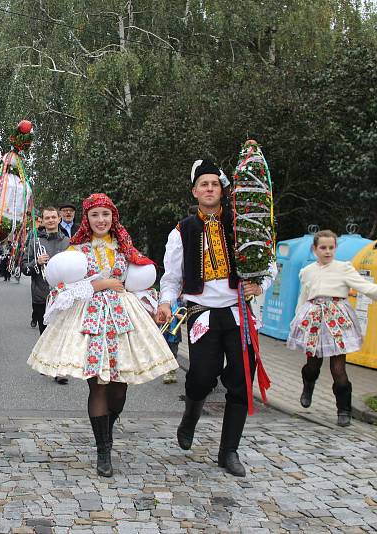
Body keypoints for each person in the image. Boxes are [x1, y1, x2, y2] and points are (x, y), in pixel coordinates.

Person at [28, 194, 179, 477]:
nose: (101, 220)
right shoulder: (77, 250)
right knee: (97, 384)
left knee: (119, 389)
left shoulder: (125, 247)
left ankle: (106, 430)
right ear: (87, 218)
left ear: (113, 218)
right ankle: (103, 450)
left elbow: (138, 282)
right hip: (89, 319)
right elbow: (62, 290)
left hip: (124, 317)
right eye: (95, 214)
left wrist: (154, 304)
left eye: (105, 214)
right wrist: (101, 284)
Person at [156, 159, 276, 477]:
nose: (209, 189)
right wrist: (166, 303)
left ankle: (229, 452)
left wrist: (259, 283)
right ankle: (190, 415)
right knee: (201, 377)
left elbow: (268, 262)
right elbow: (170, 277)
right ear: (195, 191)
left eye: (214, 184)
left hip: (238, 313)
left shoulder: (242, 224)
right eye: (203, 184)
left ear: (222, 189)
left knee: (240, 381)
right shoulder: (183, 229)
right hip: (201, 314)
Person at [287, 230, 377, 426]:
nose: (327, 251)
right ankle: (308, 384)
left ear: (335, 248)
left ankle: (344, 409)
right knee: (312, 365)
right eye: (323, 248)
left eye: (331, 247)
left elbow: (369, 289)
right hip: (314, 320)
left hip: (337, 320)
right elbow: (303, 297)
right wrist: (296, 322)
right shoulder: (307, 271)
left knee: (338, 368)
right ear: (314, 249)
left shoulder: (344, 268)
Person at [22, 206, 70, 382]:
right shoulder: (34, 242)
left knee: (62, 331)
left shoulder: (68, 242)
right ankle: (46, 360)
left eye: (53, 217)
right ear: (42, 221)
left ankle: (59, 370)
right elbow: (24, 267)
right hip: (41, 294)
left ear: (59, 219)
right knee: (46, 332)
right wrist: (37, 262)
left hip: (64, 295)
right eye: (47, 218)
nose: (50, 220)